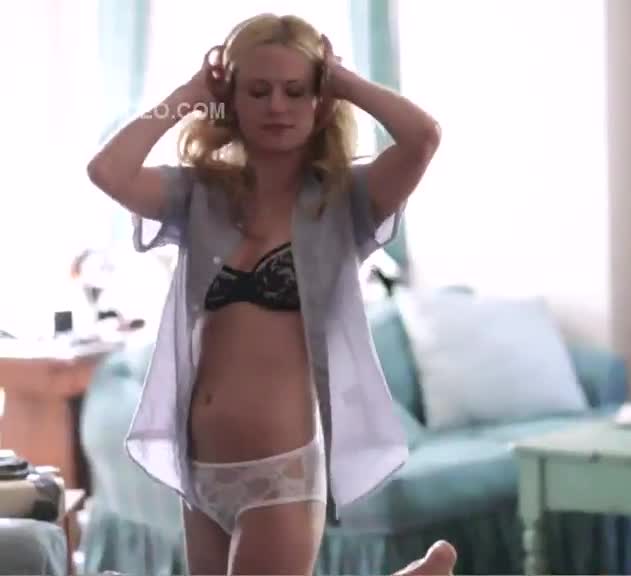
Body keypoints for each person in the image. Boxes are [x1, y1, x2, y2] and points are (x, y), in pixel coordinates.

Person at [87, 12, 453, 576]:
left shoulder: (344, 200)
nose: (277, 106)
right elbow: (107, 170)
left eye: (295, 90)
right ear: (232, 101)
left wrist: (344, 81)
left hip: (281, 473)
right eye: (258, 91)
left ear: (318, 101)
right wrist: (187, 96)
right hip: (199, 469)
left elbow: (423, 137)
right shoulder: (200, 194)